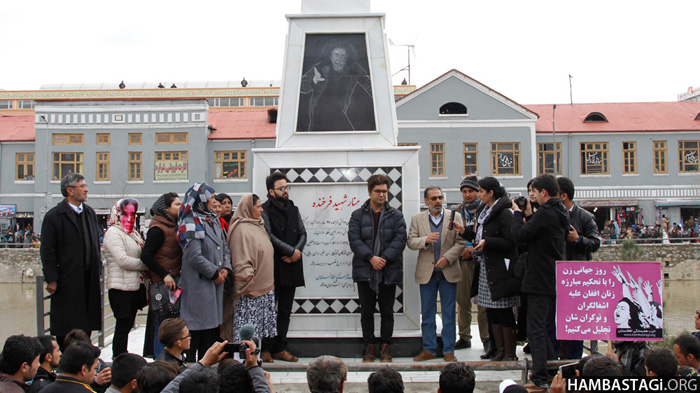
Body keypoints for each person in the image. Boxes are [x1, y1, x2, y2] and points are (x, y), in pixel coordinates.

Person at [511, 174, 569, 389]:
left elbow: (520, 235)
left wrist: (517, 215)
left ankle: (539, 379)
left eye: (534, 191)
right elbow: (538, 231)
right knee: (541, 328)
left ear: (543, 192)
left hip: (539, 277)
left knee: (535, 330)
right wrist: (529, 214)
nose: (531, 195)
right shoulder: (559, 210)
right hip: (550, 275)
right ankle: (553, 372)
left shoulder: (546, 213)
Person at [453, 177, 520, 361]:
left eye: (481, 191)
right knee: (491, 310)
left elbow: (510, 241)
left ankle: (508, 352)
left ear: (491, 193)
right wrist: (463, 231)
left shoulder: (505, 213)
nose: (478, 195)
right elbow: (479, 236)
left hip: (500, 269)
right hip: (485, 267)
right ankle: (498, 349)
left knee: (503, 311)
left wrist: (488, 243)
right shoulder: (485, 212)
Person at [348, 174, 407, 363]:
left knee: (387, 312)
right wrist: (370, 258)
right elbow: (354, 240)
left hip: (388, 271)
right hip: (365, 272)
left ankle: (386, 348)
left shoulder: (396, 215)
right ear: (369, 191)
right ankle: (369, 347)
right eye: (378, 191)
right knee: (366, 312)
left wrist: (383, 259)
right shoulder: (357, 215)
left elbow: (400, 240)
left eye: (385, 191)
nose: (382, 195)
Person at [40, 173, 102, 349]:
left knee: (87, 322)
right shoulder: (54, 216)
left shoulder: (89, 212)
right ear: (70, 191)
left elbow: (95, 244)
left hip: (88, 278)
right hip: (67, 278)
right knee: (67, 323)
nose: (86, 189)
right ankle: (66, 357)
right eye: (82, 186)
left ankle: (85, 353)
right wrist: (52, 278)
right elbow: (47, 250)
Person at [407, 186, 466, 362]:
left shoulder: (454, 217)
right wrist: (425, 240)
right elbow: (410, 241)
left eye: (440, 197)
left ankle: (448, 350)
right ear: (426, 201)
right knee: (427, 312)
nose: (438, 201)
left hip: (448, 271)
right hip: (427, 273)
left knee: (449, 312)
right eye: (433, 198)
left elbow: (461, 241)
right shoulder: (418, 219)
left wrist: (448, 258)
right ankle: (429, 349)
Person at [177, 183, 232, 362]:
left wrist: (225, 268)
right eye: (211, 197)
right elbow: (194, 256)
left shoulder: (212, 219)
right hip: (199, 285)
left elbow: (223, 246)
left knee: (210, 331)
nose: (213, 201)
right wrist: (215, 274)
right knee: (196, 332)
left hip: (215, 284)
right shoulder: (190, 222)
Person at [224, 194, 277, 362]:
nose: (261, 210)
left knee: (256, 336)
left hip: (263, 290)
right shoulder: (240, 229)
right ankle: (241, 367)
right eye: (258, 206)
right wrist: (248, 281)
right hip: (249, 292)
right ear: (248, 208)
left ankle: (254, 364)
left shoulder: (256, 225)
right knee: (245, 334)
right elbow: (240, 259)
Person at [261, 173, 307, 362]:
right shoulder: (264, 210)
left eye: (286, 187)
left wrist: (296, 251)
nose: (285, 191)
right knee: (269, 310)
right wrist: (289, 251)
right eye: (281, 188)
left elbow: (303, 233)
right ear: (271, 192)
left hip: (292, 265)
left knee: (285, 310)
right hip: (273, 266)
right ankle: (265, 348)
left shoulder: (293, 209)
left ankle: (280, 347)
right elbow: (269, 235)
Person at [556, 177, 601, 359]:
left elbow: (595, 243)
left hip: (578, 278)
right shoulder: (552, 215)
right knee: (557, 319)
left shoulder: (585, 216)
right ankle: (559, 357)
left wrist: (578, 240)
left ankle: (575, 359)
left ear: (563, 196)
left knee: (576, 321)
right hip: (556, 275)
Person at [103, 198, 148, 357]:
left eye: (132, 214)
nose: (129, 217)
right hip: (120, 288)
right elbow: (122, 259)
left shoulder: (132, 233)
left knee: (127, 324)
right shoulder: (113, 233)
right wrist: (145, 264)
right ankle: (119, 356)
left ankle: (123, 354)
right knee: (122, 325)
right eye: (125, 214)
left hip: (133, 286)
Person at [140, 192, 183, 358]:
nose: (180, 207)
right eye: (177, 204)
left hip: (173, 282)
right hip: (162, 285)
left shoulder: (173, 225)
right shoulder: (157, 229)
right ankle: (161, 361)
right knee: (162, 326)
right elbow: (146, 256)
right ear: (166, 208)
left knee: (170, 325)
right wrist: (164, 274)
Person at [299, 41, 374, 132]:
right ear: (330, 56)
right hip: (320, 111)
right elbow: (302, 87)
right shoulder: (320, 68)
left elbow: (369, 85)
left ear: (347, 57)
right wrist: (314, 80)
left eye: (343, 55)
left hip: (340, 110)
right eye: (336, 55)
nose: (340, 59)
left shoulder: (354, 69)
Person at [453, 176, 489, 353]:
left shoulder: (485, 211)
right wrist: (462, 250)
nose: (468, 195)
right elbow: (451, 236)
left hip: (481, 261)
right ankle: (464, 336)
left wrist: (474, 249)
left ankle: (487, 338)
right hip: (462, 261)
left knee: (482, 303)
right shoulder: (457, 211)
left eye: (471, 191)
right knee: (463, 301)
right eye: (464, 192)